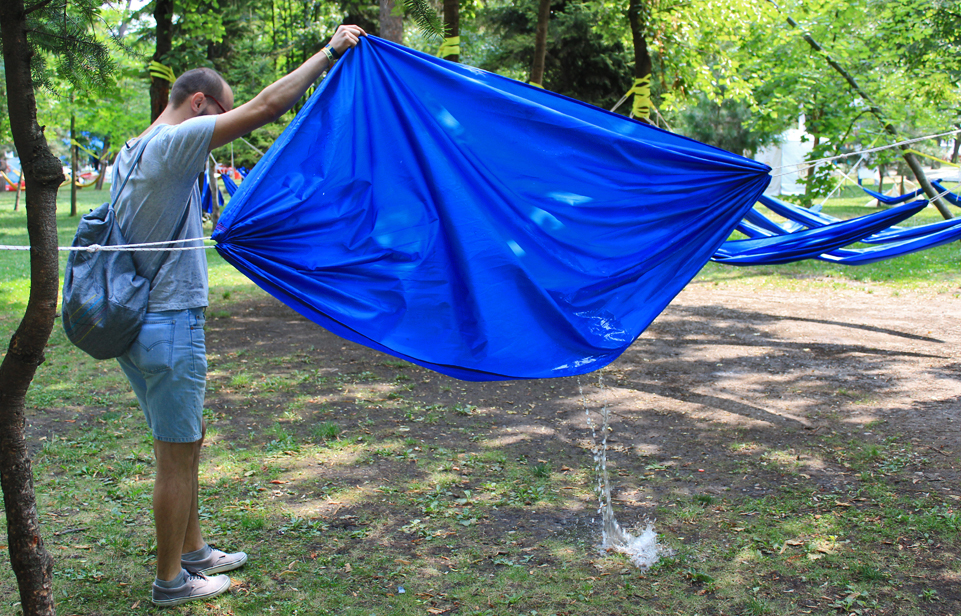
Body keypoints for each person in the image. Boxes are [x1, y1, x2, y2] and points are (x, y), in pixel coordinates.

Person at [112, 24, 366, 607]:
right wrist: (328, 53)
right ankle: (171, 582)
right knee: (175, 455)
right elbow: (267, 106)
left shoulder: (132, 149)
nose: (226, 127)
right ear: (200, 103)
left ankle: (194, 551)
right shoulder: (175, 141)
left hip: (139, 324)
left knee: (185, 441)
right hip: (168, 322)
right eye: (222, 114)